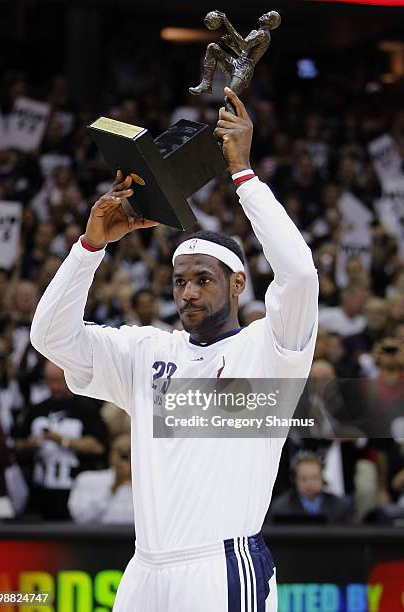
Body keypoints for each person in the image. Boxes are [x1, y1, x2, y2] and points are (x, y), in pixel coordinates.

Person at [30, 88, 318, 612]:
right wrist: (89, 247)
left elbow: (299, 274)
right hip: (145, 569)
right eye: (179, 281)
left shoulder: (273, 351)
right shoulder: (145, 351)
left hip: (223, 566)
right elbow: (48, 337)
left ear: (237, 285)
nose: (187, 292)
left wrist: (245, 177)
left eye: (203, 280)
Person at [14, 361, 108, 519]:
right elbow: (17, 444)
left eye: (58, 381)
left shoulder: (86, 408)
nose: (54, 387)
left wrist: (61, 440)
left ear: (69, 377)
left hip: (75, 490)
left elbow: (98, 447)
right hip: (41, 491)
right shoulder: (36, 409)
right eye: (50, 381)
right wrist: (28, 445)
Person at [189, 12, 281, 98]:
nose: (264, 14)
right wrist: (232, 46)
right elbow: (243, 52)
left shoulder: (264, 35)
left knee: (229, 97)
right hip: (237, 63)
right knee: (212, 47)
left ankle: (237, 115)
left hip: (244, 70)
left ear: (270, 22)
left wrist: (226, 21)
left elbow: (243, 44)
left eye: (268, 16)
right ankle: (206, 84)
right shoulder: (255, 32)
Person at [267, 452, 352, 524]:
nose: (309, 483)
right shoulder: (280, 507)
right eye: (304, 479)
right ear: (295, 480)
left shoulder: (340, 506)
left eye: (314, 478)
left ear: (323, 479)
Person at [68, 433, 134, 524]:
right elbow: (81, 517)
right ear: (111, 454)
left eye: (132, 452)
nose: (126, 458)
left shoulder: (152, 483)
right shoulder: (88, 479)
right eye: (121, 453)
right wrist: (115, 486)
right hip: (100, 536)